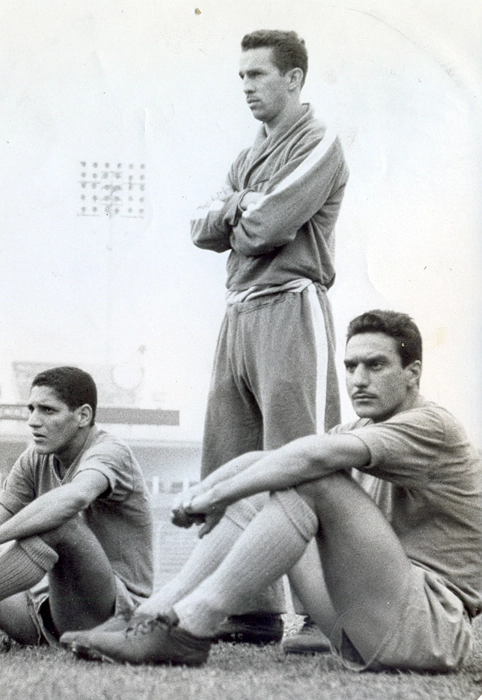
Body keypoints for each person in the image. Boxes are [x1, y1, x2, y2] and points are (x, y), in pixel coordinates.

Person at [61, 310, 482, 671]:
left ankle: (193, 626)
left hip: (429, 629)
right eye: (351, 366)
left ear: (413, 373)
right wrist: (211, 491)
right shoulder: (360, 428)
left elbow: (311, 459)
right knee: (277, 475)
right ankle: (151, 615)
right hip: (366, 622)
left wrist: (215, 497)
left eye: (375, 366)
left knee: (312, 474)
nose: (358, 379)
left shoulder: (432, 425)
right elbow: (274, 460)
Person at [190, 29, 349, 644]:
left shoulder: (320, 140)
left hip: (290, 304)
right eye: (241, 77)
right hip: (238, 311)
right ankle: (251, 611)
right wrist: (240, 205)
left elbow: (266, 227)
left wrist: (238, 209)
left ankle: (319, 616)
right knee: (229, 460)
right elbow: (200, 225)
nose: (248, 87)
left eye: (257, 75)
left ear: (293, 78)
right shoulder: (247, 152)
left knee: (300, 460)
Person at [0, 366, 153, 646]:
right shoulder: (34, 456)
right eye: (31, 409)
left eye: (47, 410)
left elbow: (75, 498)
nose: (33, 421)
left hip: (111, 615)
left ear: (83, 415)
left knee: (60, 522)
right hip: (48, 612)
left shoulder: (110, 451)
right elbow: (3, 512)